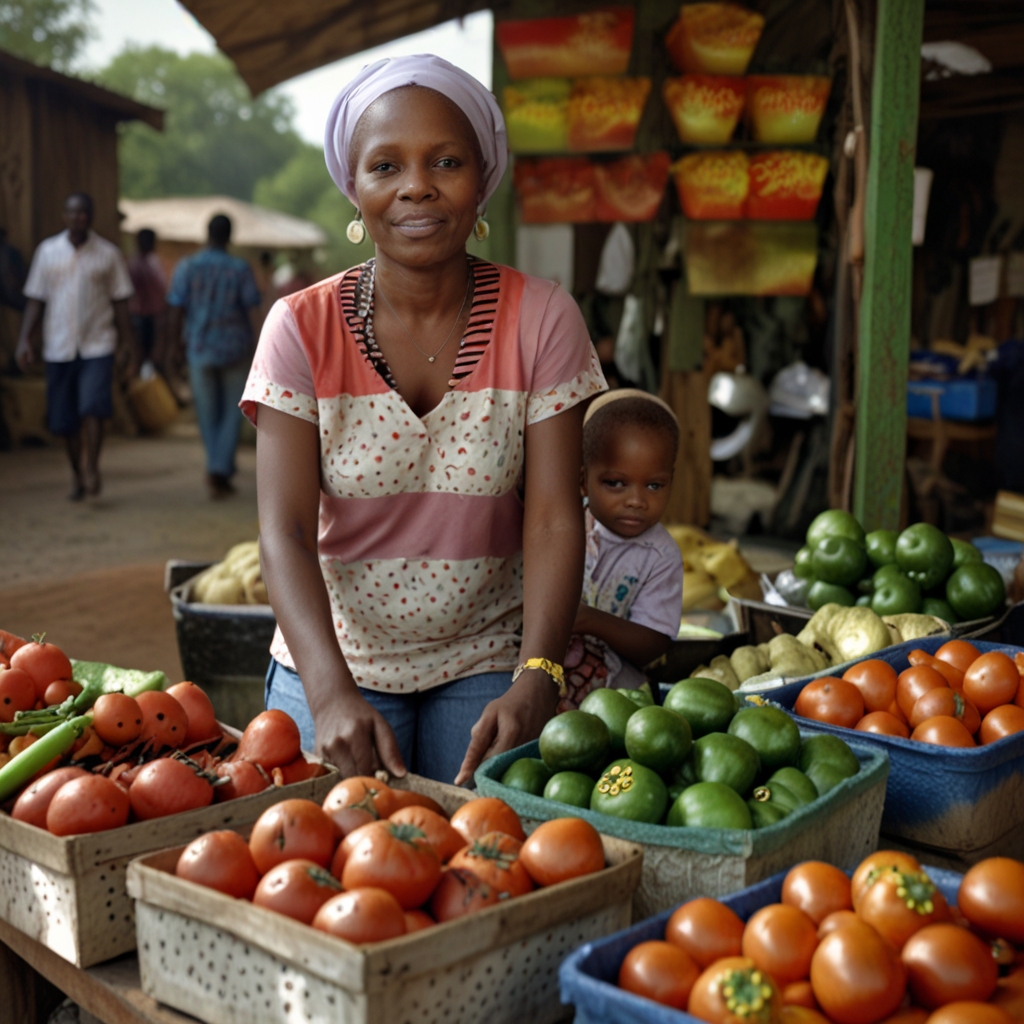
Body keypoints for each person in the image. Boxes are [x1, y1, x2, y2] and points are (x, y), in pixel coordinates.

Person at [242, 55, 606, 785]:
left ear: (482, 182)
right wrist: (329, 690)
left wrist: (538, 673)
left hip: (486, 657)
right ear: (355, 187)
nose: (417, 185)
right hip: (335, 657)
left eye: (446, 160)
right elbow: (282, 530)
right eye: (386, 165)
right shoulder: (300, 327)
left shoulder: (542, 318)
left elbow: (553, 518)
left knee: (486, 865)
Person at [559, 389, 684, 709]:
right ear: (584, 481)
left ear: (671, 480)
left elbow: (654, 644)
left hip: (613, 689)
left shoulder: (660, 556)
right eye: (616, 483)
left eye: (654, 485)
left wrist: (588, 620)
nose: (636, 501)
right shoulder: (561, 526)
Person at [16, 193, 136, 499]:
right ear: (64, 216)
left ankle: (93, 466)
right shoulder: (48, 252)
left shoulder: (108, 254)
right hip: (58, 346)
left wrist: (127, 343)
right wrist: (24, 340)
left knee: (93, 407)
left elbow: (121, 301)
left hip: (98, 344)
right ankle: (76, 472)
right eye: (73, 212)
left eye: (84, 212)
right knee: (63, 419)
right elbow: (35, 300)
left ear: (91, 216)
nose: (78, 217)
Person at [167, 214, 261, 499]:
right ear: (229, 237)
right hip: (235, 348)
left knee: (207, 414)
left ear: (206, 234)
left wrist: (173, 345)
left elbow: (176, 308)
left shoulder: (188, 266)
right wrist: (261, 345)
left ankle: (216, 466)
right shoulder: (239, 269)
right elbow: (253, 310)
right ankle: (220, 468)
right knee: (233, 412)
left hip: (199, 347)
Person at [127, 228, 166, 368]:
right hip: (140, 317)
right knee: (141, 356)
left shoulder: (152, 262)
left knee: (151, 358)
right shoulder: (138, 264)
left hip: (152, 317)